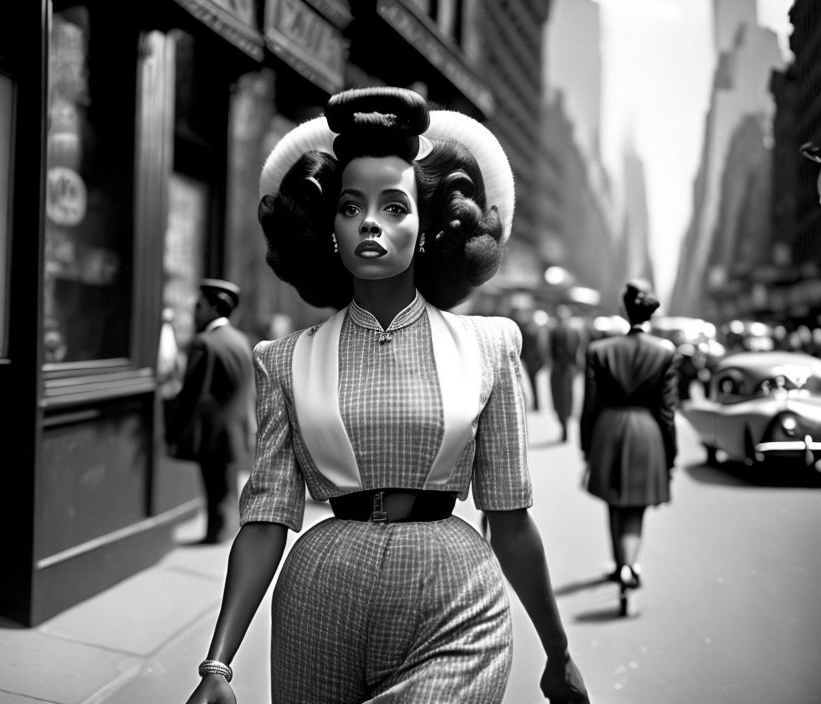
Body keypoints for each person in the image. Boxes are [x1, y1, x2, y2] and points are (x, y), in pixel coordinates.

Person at [184, 87, 589, 704]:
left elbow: (508, 516)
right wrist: (217, 667)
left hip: (453, 593)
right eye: (350, 207)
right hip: (318, 596)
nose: (370, 222)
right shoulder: (284, 360)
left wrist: (558, 653)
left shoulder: (491, 346)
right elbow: (266, 519)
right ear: (329, 230)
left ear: (427, 228)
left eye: (394, 206)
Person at [579, 279, 679, 615]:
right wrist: (671, 453)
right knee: (635, 507)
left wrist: (586, 445)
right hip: (647, 433)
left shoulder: (599, 350)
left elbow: (589, 405)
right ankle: (630, 567)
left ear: (624, 310)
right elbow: (667, 412)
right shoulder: (665, 352)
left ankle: (618, 563)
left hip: (608, 428)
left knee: (613, 501)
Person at [165, 279, 255, 545]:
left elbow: (191, 394)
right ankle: (225, 531)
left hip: (213, 432)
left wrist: (175, 429)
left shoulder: (204, 342)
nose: (195, 311)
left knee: (215, 486)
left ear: (214, 308)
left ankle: (215, 534)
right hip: (237, 429)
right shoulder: (241, 340)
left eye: (199, 305)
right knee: (226, 486)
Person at [549, 304, 582, 443]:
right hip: (567, 368)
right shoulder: (572, 330)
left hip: (562, 369)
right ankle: (565, 424)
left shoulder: (558, 330)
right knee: (566, 398)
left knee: (562, 398)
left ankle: (565, 425)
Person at [519, 309, 550, 411]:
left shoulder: (531, 329)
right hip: (535, 361)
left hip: (533, 361)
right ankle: (536, 404)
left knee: (532, 383)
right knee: (534, 383)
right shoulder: (539, 330)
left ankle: (536, 404)